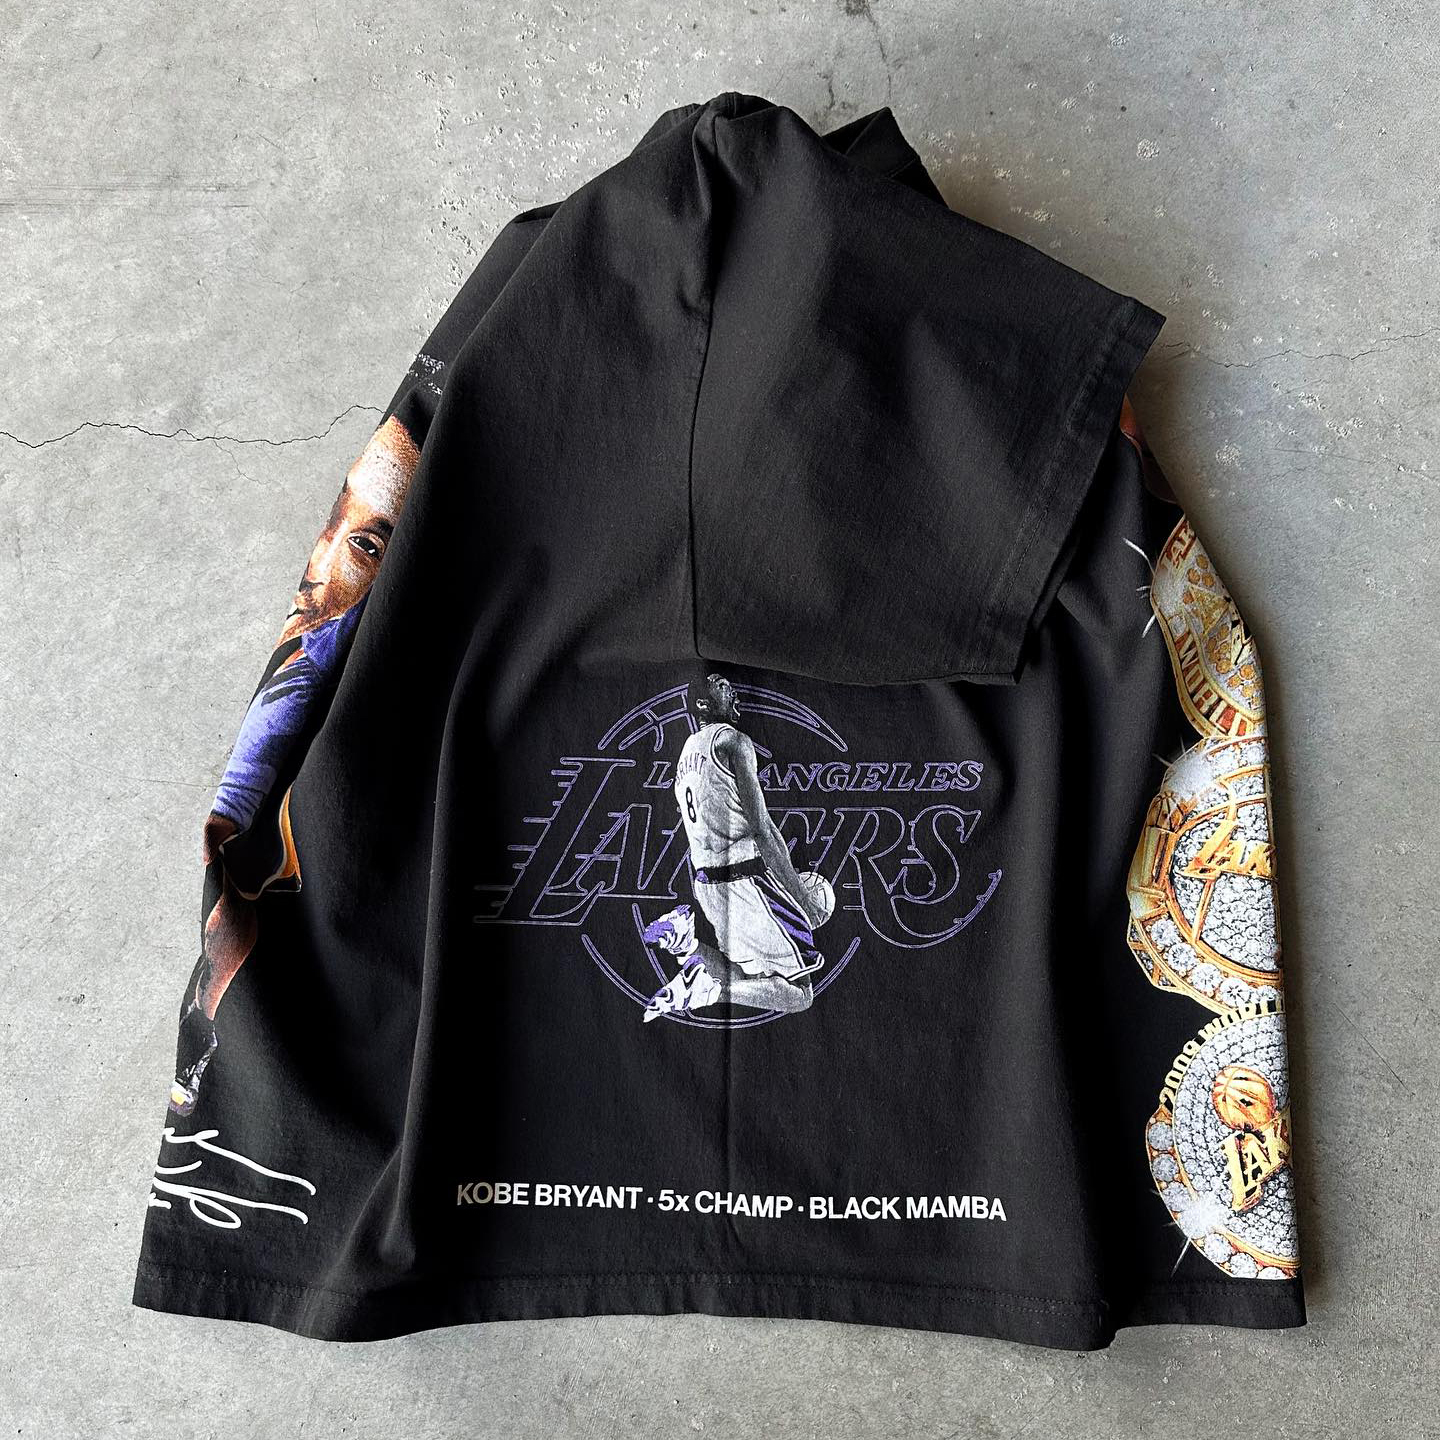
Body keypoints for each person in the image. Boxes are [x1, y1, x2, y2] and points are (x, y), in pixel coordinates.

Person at [168, 416, 422, 1113]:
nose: (324, 566)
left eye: (363, 543)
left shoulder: (327, 658)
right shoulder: (311, 649)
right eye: (340, 527)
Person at [642, 672, 831, 1022]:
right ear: (703, 703)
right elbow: (763, 829)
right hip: (746, 880)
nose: (733, 691)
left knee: (747, 975)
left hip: (707, 884)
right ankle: (710, 991)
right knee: (800, 994)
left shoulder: (686, 752)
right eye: (722, 686)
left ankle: (686, 945)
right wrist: (802, 899)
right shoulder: (733, 741)